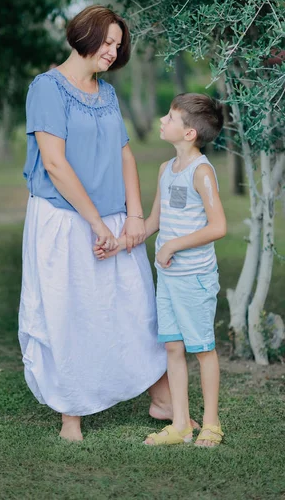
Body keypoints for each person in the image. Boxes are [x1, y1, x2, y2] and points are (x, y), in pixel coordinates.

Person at [19, 5, 173, 442]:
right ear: (82, 36)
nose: (111, 52)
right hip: (65, 220)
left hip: (114, 218)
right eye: (106, 42)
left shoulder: (106, 93)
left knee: (137, 308)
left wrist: (135, 217)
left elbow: (124, 155)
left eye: (117, 46)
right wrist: (95, 224)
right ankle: (72, 415)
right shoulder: (46, 89)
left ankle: (162, 399)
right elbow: (54, 163)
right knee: (72, 312)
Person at [95, 93, 226, 447]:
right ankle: (181, 425)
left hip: (194, 279)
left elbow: (218, 227)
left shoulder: (202, 173)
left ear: (189, 134)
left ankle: (211, 424)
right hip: (167, 279)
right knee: (172, 349)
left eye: (170, 117)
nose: (161, 121)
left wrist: (172, 245)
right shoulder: (166, 170)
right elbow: (153, 221)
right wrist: (120, 244)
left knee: (203, 349)